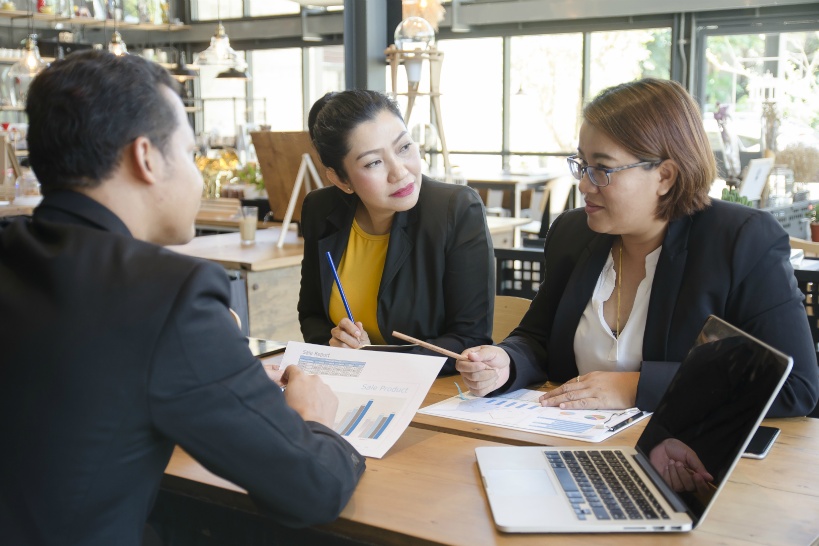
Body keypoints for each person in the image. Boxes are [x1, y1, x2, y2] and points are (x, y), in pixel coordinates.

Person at [0, 51, 364, 546]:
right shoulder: (167, 293)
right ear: (145, 157)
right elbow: (313, 489)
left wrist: (217, 374)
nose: (198, 177)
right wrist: (317, 420)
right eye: (191, 155)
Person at [457, 78, 819, 418]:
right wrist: (507, 362)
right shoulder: (573, 233)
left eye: (602, 168)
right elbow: (538, 338)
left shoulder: (740, 240)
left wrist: (638, 387)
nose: (584, 184)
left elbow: (795, 386)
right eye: (582, 164)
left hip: (680, 463)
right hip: (569, 438)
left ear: (665, 176)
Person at [298, 89, 494, 374]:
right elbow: (313, 316)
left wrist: (375, 357)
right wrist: (335, 345)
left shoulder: (456, 210)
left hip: (431, 391)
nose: (399, 171)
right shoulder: (320, 208)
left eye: (403, 147)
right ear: (341, 179)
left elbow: (469, 339)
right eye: (373, 162)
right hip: (348, 385)